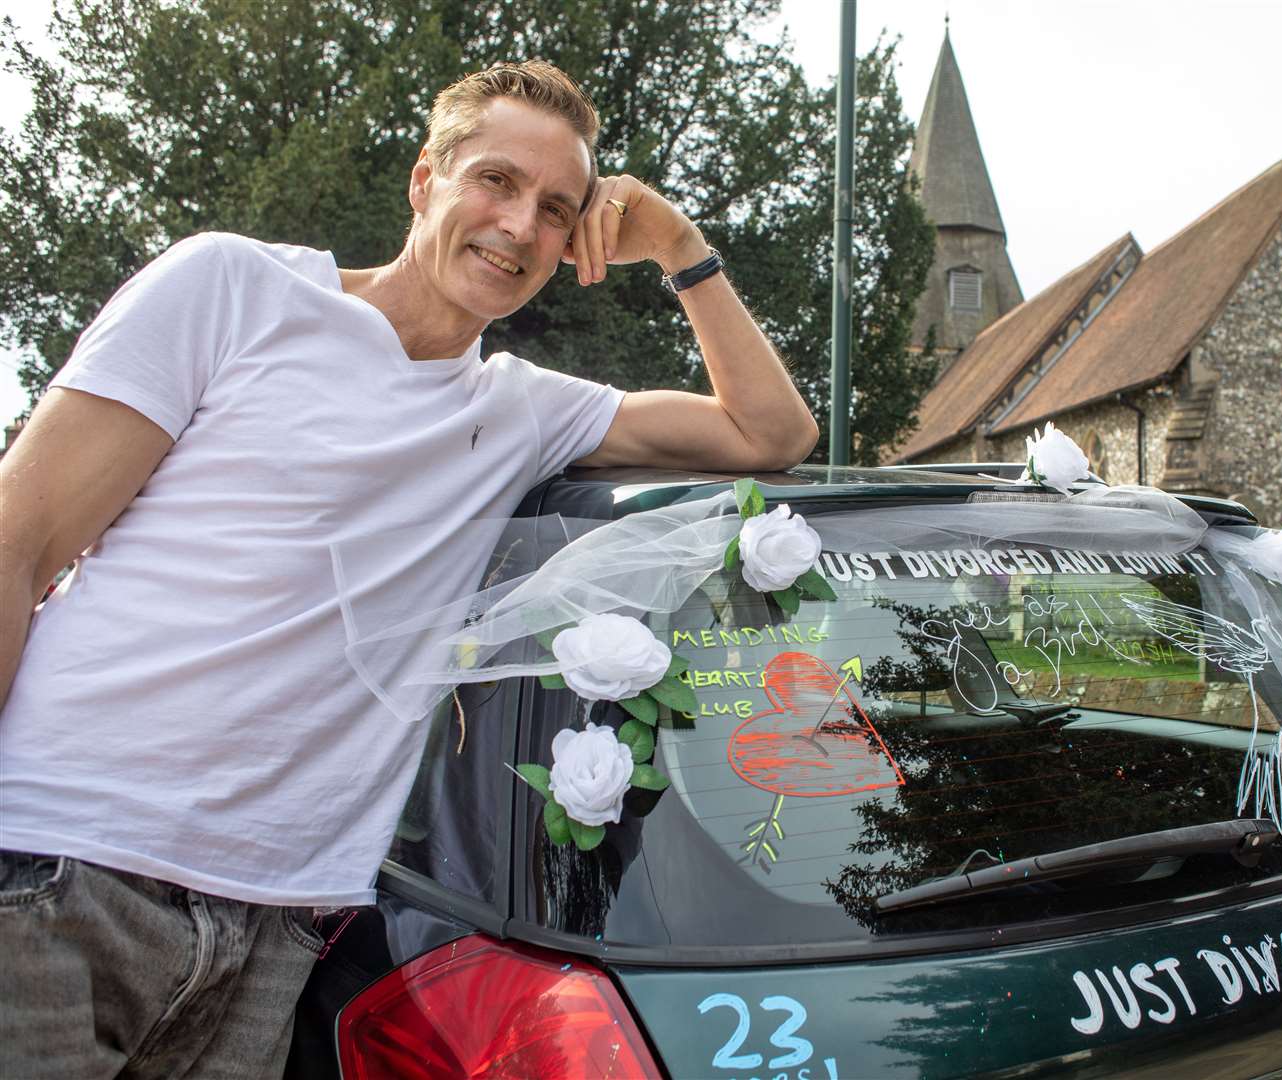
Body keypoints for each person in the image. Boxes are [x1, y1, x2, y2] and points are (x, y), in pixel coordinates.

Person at [0, 59, 817, 1077]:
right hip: (59, 870)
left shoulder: (522, 409)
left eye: (557, 210)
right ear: (425, 179)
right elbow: (19, 541)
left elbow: (771, 429)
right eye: (496, 181)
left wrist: (681, 250)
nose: (520, 226)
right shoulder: (231, 288)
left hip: (278, 926)